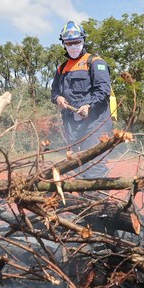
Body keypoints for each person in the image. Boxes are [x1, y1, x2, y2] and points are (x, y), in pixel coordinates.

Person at [50, 20, 113, 178]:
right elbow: (54, 91)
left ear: (83, 41)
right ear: (64, 44)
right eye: (69, 43)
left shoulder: (95, 62)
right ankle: (85, 202)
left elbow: (103, 90)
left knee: (95, 164)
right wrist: (58, 98)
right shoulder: (62, 68)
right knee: (77, 165)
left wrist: (89, 106)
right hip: (73, 125)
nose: (73, 46)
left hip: (96, 123)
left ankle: (101, 201)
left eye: (76, 42)